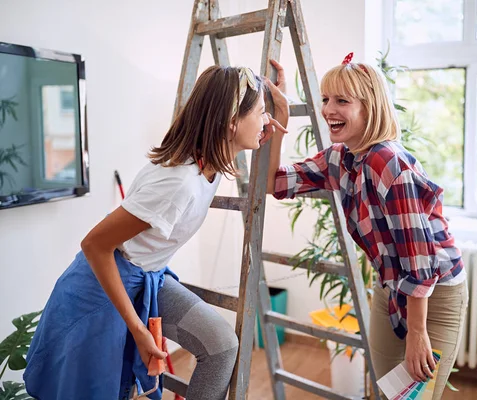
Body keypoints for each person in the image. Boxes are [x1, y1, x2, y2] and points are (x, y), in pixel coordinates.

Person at [24, 61, 289, 400]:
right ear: (231, 122)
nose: (266, 121)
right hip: (100, 290)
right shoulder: (178, 182)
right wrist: (138, 329)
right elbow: (93, 245)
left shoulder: (213, 160)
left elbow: (267, 178)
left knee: (221, 345)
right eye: (261, 113)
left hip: (147, 277)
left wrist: (278, 110)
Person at [266, 54, 468, 400]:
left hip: (435, 293)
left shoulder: (388, 161)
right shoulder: (340, 157)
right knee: (384, 391)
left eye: (342, 100)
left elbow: (419, 262)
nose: (329, 109)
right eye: (326, 98)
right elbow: (276, 184)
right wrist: (280, 117)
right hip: (391, 284)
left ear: (370, 108)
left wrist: (417, 332)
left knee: (412, 397)